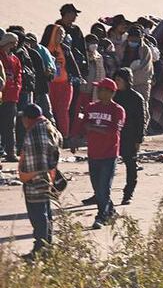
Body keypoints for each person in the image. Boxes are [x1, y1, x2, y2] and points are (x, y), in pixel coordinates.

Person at [72, 77, 125, 229]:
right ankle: (111, 211)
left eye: (100, 89)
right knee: (98, 188)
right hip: (93, 154)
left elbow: (113, 131)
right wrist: (75, 138)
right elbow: (83, 124)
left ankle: (101, 217)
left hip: (109, 154)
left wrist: (93, 128)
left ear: (110, 92)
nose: (98, 92)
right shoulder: (91, 107)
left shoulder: (118, 110)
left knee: (104, 188)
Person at [17, 103, 62, 258]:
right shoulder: (48, 127)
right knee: (45, 215)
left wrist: (26, 176)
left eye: (23, 118)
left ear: (28, 118)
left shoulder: (34, 133)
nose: (22, 121)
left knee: (39, 217)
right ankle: (46, 248)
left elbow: (37, 164)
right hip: (47, 180)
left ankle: (41, 250)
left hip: (36, 182)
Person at [112, 68, 146, 205]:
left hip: (129, 136)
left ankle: (128, 193)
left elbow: (141, 120)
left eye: (119, 80)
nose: (116, 83)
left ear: (127, 81)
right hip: (114, 136)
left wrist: (139, 139)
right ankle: (100, 193)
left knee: (130, 165)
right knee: (107, 166)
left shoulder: (136, 98)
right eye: (115, 80)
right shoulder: (112, 96)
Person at [0, 32, 22, 161]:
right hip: (2, 95)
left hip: (11, 96)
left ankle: (10, 152)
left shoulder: (15, 59)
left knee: (9, 125)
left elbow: (18, 76)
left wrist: (16, 87)